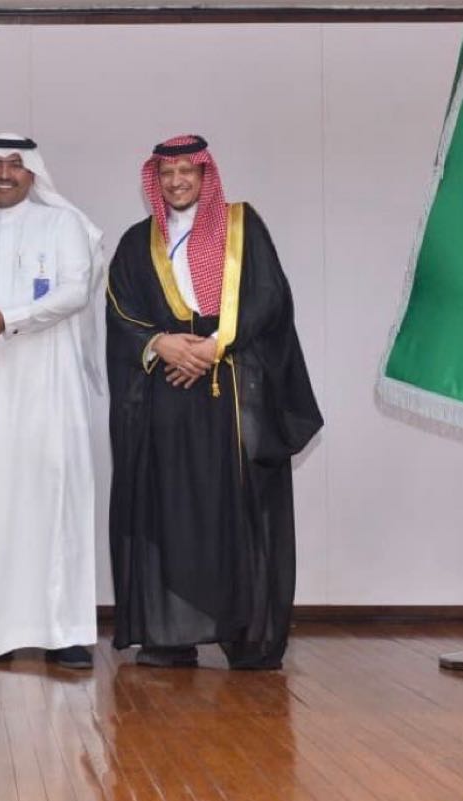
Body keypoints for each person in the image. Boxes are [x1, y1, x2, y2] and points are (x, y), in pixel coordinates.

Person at [105, 134, 322, 669]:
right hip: (166, 398)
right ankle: (169, 635)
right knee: (168, 511)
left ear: (206, 175)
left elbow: (269, 298)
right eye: (167, 173)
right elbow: (120, 311)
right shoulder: (136, 243)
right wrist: (160, 344)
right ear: (155, 180)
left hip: (235, 394)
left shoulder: (243, 228)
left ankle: (247, 637)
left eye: (187, 171)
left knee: (239, 512)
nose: (177, 181)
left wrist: (214, 345)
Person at [0, 133, 104, 669]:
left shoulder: (64, 225)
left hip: (48, 387)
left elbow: (75, 290)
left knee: (51, 499)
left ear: (33, 172)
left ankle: (64, 632)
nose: (4, 173)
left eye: (15, 164)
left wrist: (6, 319)